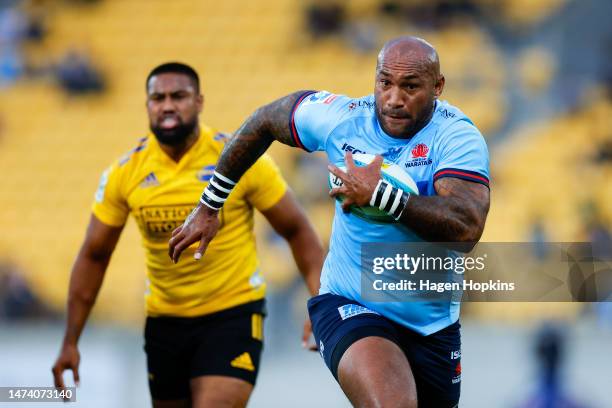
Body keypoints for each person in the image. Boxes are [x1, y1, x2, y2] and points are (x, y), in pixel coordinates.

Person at [169, 37, 490, 408]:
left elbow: (466, 229)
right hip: (351, 302)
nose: (394, 99)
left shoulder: (456, 137)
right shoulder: (342, 119)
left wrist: (383, 196)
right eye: (385, 83)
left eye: (411, 86)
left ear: (438, 87)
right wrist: (210, 204)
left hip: (433, 324)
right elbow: (264, 121)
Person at [52, 62, 324, 408]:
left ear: (199, 102)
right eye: (157, 97)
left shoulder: (239, 158)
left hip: (233, 314)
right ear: (147, 105)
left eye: (178, 96)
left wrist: (320, 304)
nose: (167, 105)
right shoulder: (125, 173)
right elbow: (94, 255)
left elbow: (297, 229)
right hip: (165, 322)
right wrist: (70, 341)